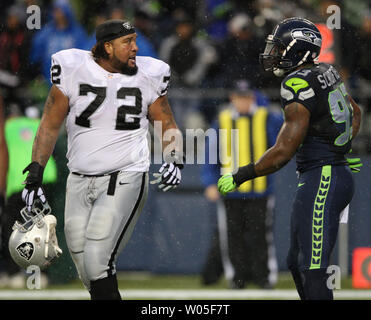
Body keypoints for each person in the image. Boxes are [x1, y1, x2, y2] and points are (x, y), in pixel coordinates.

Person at [21, 19, 183, 300]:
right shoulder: (72, 68)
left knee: (98, 261)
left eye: (134, 40)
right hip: (79, 178)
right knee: (86, 267)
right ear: (107, 47)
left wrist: (175, 158)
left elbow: (166, 123)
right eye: (127, 42)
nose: (135, 48)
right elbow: (49, 123)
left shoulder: (149, 74)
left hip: (125, 175)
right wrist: (35, 172)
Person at [217, 17, 362, 300]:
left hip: (323, 178)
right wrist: (341, 146)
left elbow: (283, 152)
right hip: (326, 174)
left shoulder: (296, 82)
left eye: (281, 48)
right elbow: (355, 112)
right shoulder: (326, 70)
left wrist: (240, 175)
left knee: (313, 267)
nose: (275, 53)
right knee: (296, 261)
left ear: (298, 50)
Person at [201, 79, 282, 289]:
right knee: (232, 237)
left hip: (260, 189)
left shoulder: (267, 117)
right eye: (239, 97)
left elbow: (282, 145)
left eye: (247, 97)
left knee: (260, 235)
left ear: (253, 98)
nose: (243, 102)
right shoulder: (223, 119)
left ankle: (264, 278)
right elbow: (211, 153)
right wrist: (210, 182)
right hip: (230, 190)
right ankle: (237, 278)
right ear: (232, 98)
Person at [0, 105, 56, 288]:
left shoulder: (6, 127)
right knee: (41, 229)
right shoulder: (35, 123)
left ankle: (14, 273)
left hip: (19, 182)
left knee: (12, 229)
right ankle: (40, 275)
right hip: (44, 178)